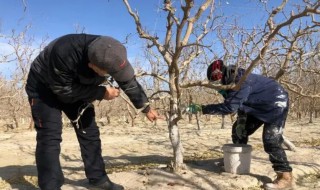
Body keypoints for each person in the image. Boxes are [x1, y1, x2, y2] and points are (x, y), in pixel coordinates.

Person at [25, 34, 161, 190]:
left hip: (77, 87)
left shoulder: (112, 53)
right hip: (44, 89)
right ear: (92, 66)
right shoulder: (64, 51)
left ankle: (98, 178)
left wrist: (146, 108)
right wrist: (101, 93)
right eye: (106, 73)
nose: (110, 76)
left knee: (90, 132)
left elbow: (128, 82)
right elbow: (63, 90)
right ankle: (50, 186)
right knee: (50, 136)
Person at [186, 60, 295, 190]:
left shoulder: (240, 82)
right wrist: (242, 118)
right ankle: (236, 158)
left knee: (271, 140)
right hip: (256, 106)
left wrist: (202, 109)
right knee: (239, 130)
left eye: (217, 83)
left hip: (276, 104)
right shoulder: (231, 80)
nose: (217, 86)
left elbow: (230, 107)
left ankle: (285, 176)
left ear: (223, 76)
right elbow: (243, 101)